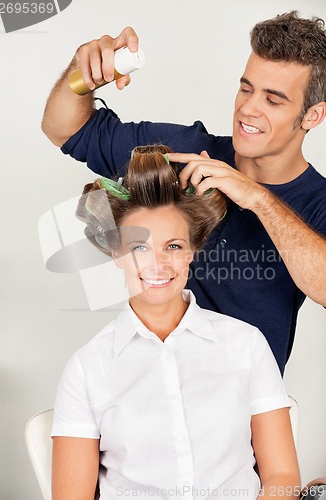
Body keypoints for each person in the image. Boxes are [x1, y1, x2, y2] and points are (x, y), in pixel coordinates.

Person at [41, 11, 326, 375]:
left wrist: (257, 197)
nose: (248, 108)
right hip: (146, 388)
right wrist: (84, 75)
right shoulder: (185, 150)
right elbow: (63, 128)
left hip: (245, 407)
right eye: (246, 87)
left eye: (273, 100)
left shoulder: (316, 201)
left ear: (313, 115)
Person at [51, 145, 300, 500]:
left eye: (172, 246)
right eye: (139, 247)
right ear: (116, 253)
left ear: (193, 251)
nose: (157, 265)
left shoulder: (246, 345)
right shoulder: (87, 369)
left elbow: (282, 475)